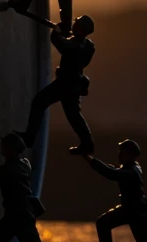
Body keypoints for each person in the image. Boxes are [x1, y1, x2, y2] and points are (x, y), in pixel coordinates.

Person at [19, 15, 95, 156]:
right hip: (73, 82)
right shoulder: (87, 45)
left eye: (76, 23)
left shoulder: (74, 45)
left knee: (40, 102)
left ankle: (30, 138)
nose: (73, 23)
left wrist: (57, 31)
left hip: (66, 83)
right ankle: (87, 144)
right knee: (73, 115)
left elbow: (60, 43)